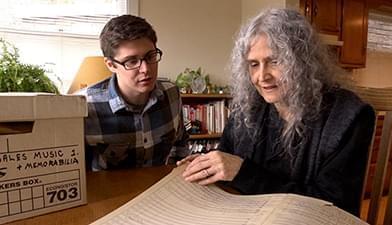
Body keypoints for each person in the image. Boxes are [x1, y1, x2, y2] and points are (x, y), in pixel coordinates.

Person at [178, 8, 375, 216]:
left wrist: (242, 172)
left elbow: (333, 208)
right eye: (254, 64)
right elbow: (228, 158)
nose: (262, 76)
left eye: (275, 61)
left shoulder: (350, 116)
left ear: (303, 62)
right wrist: (208, 165)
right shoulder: (248, 106)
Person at [78, 15, 188, 171]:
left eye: (150, 56)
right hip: (110, 192)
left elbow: (180, 142)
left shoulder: (172, 94)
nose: (146, 69)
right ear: (111, 65)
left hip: (161, 188)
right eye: (131, 61)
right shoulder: (84, 106)